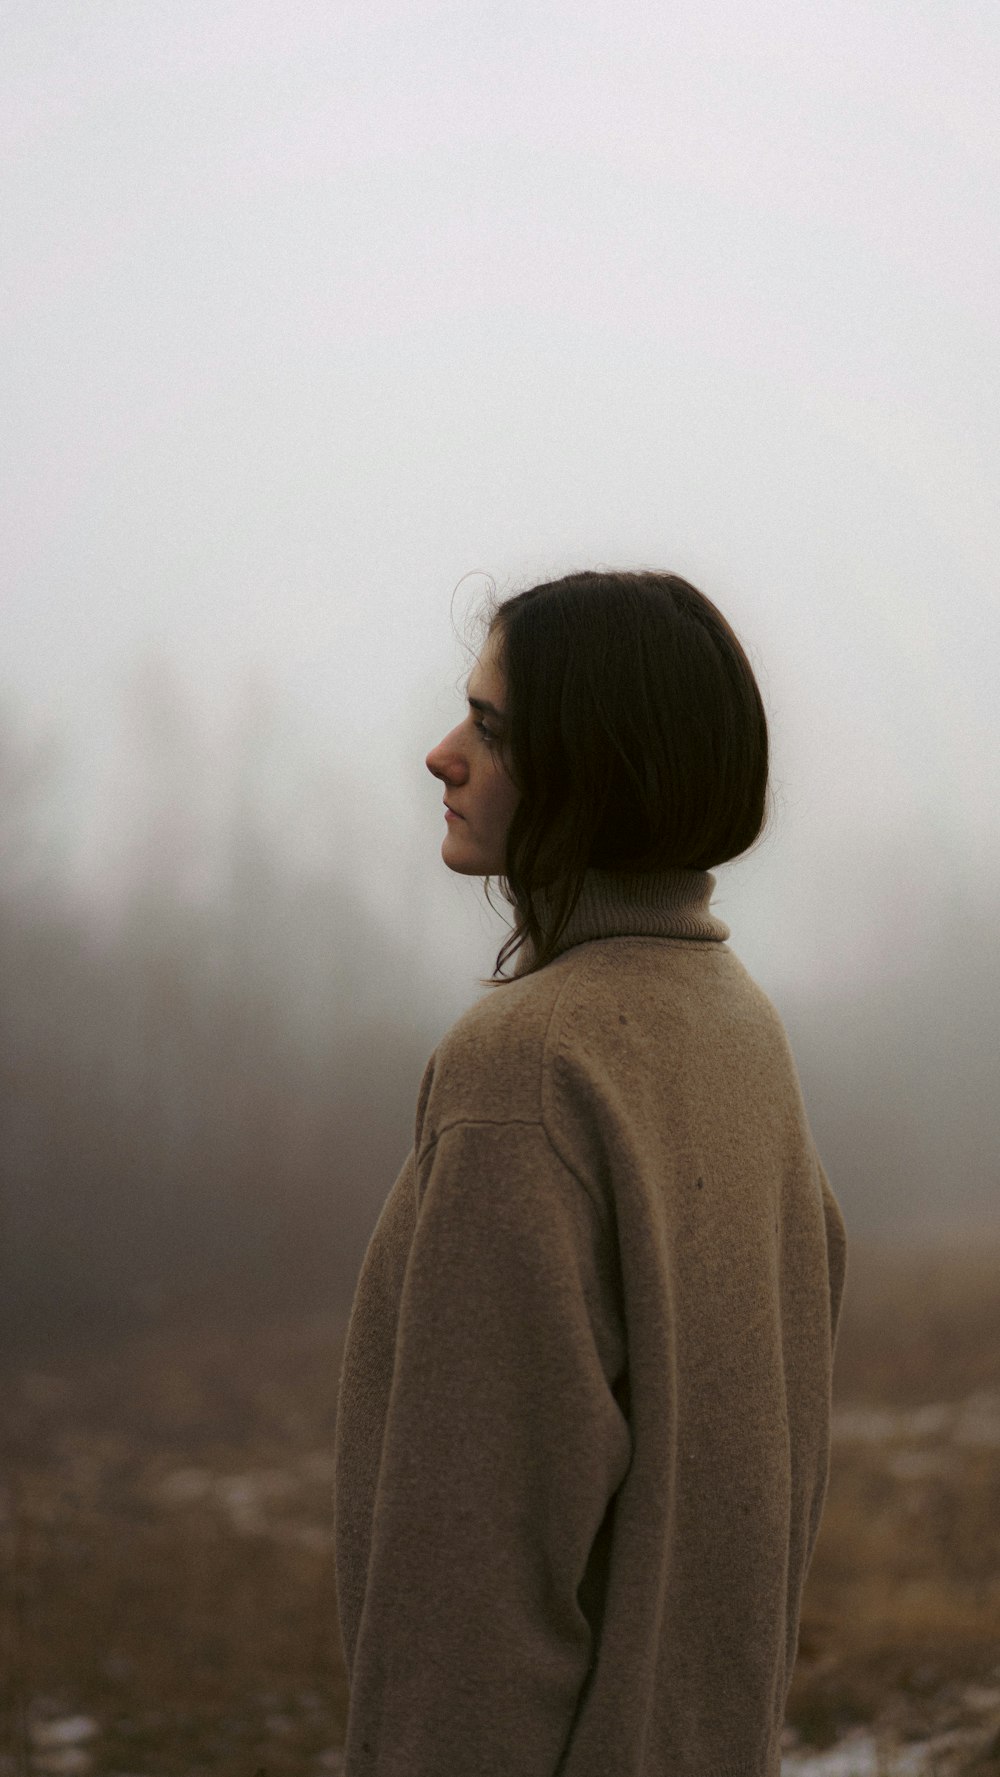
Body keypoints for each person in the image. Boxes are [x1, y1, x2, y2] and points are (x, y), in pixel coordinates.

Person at [333, 569, 847, 1777]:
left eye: (495, 730)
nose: (441, 754)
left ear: (597, 764)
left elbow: (471, 1587)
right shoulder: (734, 1024)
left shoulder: (525, 1068)